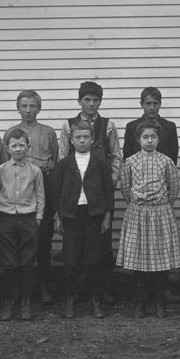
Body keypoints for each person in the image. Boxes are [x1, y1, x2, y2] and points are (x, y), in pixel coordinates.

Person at [59, 80, 122, 302]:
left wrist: (108, 184)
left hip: (99, 195)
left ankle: (102, 291)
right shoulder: (69, 126)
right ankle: (77, 292)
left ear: (100, 102)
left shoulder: (108, 125)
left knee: (101, 245)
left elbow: (116, 157)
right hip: (76, 195)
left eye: (96, 100)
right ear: (79, 101)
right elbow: (63, 160)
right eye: (87, 100)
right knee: (75, 249)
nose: (91, 104)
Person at [51, 120, 115, 319]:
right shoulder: (65, 164)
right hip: (72, 216)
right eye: (77, 137)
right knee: (71, 259)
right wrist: (57, 216)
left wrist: (107, 216)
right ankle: (70, 299)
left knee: (94, 258)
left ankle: (95, 300)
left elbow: (108, 189)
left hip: (94, 215)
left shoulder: (100, 161)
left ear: (92, 139)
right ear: (71, 140)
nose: (82, 141)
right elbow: (56, 191)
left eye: (86, 137)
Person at [118, 119, 180, 318]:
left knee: (160, 261)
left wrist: (161, 206)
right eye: (145, 137)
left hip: (160, 212)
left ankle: (159, 302)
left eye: (153, 137)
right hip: (138, 212)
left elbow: (173, 188)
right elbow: (125, 188)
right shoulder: (130, 161)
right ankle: (139, 301)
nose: (149, 141)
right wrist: (139, 205)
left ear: (159, 139)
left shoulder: (166, 161)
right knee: (139, 261)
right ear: (138, 140)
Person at [3, 90, 59, 305]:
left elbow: (54, 160)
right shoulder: (11, 132)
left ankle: (44, 285)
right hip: (18, 187)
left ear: (39, 108)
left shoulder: (48, 132)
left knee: (42, 238)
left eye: (33, 106)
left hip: (42, 183)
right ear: (18, 108)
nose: (28, 110)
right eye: (24, 106)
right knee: (19, 239)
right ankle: (19, 289)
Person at [0, 128, 45, 321]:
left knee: (27, 262)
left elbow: (40, 196)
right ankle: (9, 301)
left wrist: (38, 218)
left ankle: (26, 302)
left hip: (28, 218)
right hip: (6, 219)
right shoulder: (0, 170)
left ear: (28, 147)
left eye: (22, 145)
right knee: (9, 262)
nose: (18, 148)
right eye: (14, 145)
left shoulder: (35, 171)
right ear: (7, 147)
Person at [122, 86, 179, 164]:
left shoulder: (169, 127)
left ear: (160, 104)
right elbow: (127, 155)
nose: (152, 108)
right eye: (148, 104)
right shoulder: (132, 127)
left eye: (155, 103)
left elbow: (173, 156)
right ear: (141, 104)